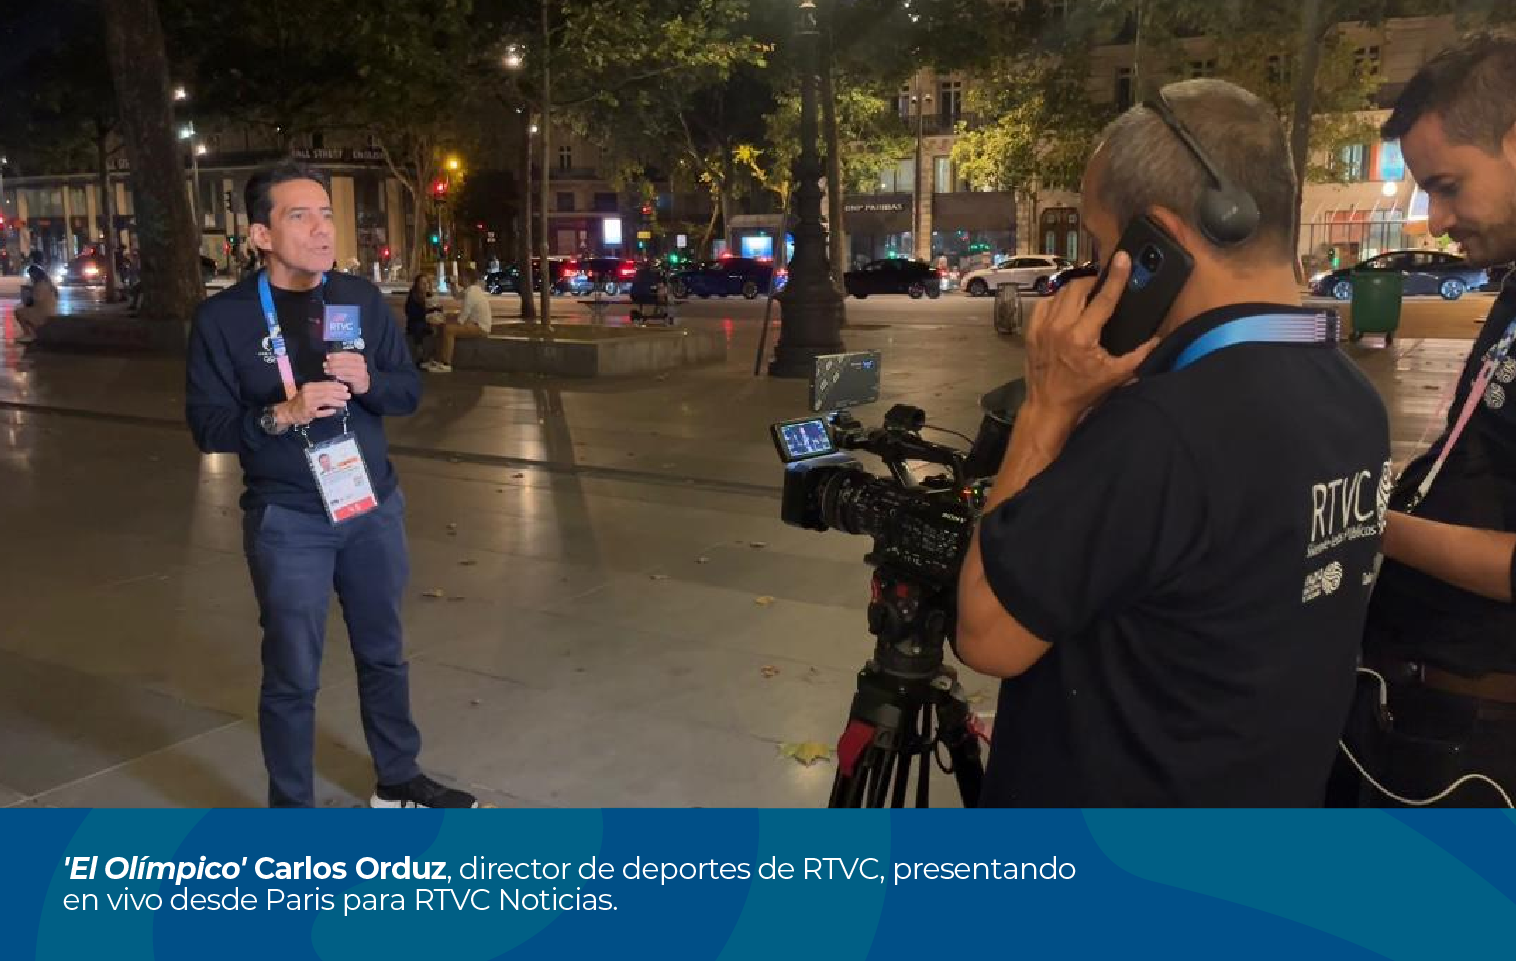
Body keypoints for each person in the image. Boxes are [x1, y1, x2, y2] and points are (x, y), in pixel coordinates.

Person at [954, 79, 1391, 807]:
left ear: (1154, 244)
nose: (1097, 274)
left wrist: (1046, 408)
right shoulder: (1353, 397)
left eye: (1102, 246)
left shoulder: (1163, 430)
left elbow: (986, 634)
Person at [185, 160, 476, 809]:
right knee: (292, 673)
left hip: (371, 506)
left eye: (326, 214)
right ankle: (293, 814)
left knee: (384, 653)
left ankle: (398, 780)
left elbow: (407, 391)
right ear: (261, 235)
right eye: (301, 216)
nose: (322, 229)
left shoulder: (357, 299)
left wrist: (371, 382)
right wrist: (281, 414)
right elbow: (207, 426)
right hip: (289, 520)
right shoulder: (223, 320)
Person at [1337, 36, 1516, 807]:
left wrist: (1365, 522)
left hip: (1480, 746)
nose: (1436, 220)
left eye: (1448, 186)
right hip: (1429, 709)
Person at [421, 266, 490, 373]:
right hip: (473, 323)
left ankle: (446, 364)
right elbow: (456, 296)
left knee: (448, 330)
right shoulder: (471, 290)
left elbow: (461, 320)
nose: (460, 279)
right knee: (442, 327)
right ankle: (437, 360)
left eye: (462, 277)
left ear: (467, 278)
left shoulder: (471, 293)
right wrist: (452, 284)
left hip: (480, 327)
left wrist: (444, 319)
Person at [403, 272, 443, 366]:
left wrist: (436, 309)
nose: (425, 285)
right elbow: (411, 313)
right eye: (422, 283)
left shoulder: (428, 295)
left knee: (440, 327)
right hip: (416, 323)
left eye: (426, 283)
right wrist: (427, 312)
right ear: (417, 284)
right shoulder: (413, 296)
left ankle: (437, 356)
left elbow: (435, 307)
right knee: (419, 326)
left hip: (428, 322)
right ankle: (420, 353)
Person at [14, 263, 58, 343]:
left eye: (31, 275)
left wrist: (28, 293)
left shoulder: (40, 285)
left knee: (19, 312)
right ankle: (34, 333)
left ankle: (29, 334)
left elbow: (36, 299)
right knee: (24, 311)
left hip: (43, 312)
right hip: (50, 310)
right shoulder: (47, 282)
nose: (30, 277)